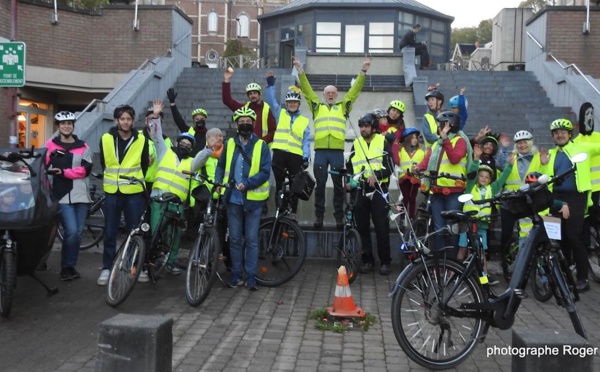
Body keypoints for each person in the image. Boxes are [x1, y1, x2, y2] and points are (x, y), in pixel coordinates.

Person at [293, 55, 372, 229]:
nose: (330, 95)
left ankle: (339, 218)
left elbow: (355, 91)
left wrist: (363, 71)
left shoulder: (343, 107)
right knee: (320, 187)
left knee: (338, 187)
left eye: (333, 93)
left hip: (336, 152)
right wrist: (300, 71)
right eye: (327, 93)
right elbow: (306, 90)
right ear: (323, 95)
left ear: (336, 95)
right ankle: (319, 217)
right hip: (321, 152)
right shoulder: (316, 107)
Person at [146, 99, 215, 275]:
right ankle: (150, 260)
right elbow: (156, 134)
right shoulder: (164, 151)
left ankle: (171, 261)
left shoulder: (192, 162)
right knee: (156, 231)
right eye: (183, 142)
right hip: (159, 198)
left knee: (175, 234)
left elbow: (202, 157)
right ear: (176, 143)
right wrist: (155, 115)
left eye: (189, 144)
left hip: (177, 203)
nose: (185, 145)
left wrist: (209, 147)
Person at [540, 118, 600, 292]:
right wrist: (544, 165)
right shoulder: (551, 154)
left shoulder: (582, 148)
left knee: (575, 238)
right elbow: (546, 179)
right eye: (556, 133)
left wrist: (590, 133)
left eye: (563, 132)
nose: (560, 135)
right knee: (561, 240)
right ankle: (565, 277)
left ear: (569, 134)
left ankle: (583, 279)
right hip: (557, 197)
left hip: (577, 197)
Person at [215, 107, 271, 291]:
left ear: (253, 125)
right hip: (233, 200)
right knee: (235, 240)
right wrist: (217, 182)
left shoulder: (261, 145)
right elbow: (221, 166)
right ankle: (235, 275)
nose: (244, 125)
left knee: (252, 240)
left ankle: (251, 277)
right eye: (241, 122)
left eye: (248, 122)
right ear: (236, 124)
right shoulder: (230, 143)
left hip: (253, 201)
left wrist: (248, 183)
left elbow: (264, 172)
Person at [97, 104, 150, 286]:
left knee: (134, 232)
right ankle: (107, 267)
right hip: (112, 192)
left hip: (134, 192)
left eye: (129, 119)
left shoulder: (141, 139)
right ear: (116, 120)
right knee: (110, 231)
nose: (126, 122)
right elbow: (104, 163)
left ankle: (134, 265)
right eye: (122, 119)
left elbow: (144, 164)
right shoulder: (105, 138)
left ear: (133, 121)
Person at [45, 111, 93, 281]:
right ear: (58, 126)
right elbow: (44, 166)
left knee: (78, 233)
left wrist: (64, 172)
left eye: (69, 123)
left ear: (73, 125)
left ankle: (71, 266)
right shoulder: (50, 145)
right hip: (62, 195)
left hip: (81, 195)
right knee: (71, 231)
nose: (66, 126)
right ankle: (66, 267)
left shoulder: (83, 146)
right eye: (63, 124)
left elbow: (86, 169)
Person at [457, 147, 515, 285]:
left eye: (487, 177)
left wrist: (510, 166)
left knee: (482, 251)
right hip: (467, 224)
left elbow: (502, 180)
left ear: (490, 179)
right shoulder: (471, 186)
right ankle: (456, 273)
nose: (483, 179)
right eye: (481, 176)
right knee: (462, 247)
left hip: (482, 225)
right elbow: (471, 173)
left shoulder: (492, 189)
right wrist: (476, 160)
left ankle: (484, 277)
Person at [414, 111, 469, 254]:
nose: (439, 127)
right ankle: (439, 264)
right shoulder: (436, 144)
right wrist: (417, 168)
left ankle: (451, 264)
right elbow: (426, 161)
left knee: (451, 229)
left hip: (454, 193)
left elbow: (455, 158)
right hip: (437, 191)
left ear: (449, 125)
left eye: (441, 124)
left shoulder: (460, 141)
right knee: (439, 230)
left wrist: (446, 140)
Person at [348, 113, 394, 275]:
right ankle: (368, 260)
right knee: (362, 227)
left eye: (366, 126)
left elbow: (390, 167)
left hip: (379, 190)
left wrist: (377, 176)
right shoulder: (356, 143)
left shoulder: (383, 142)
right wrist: (349, 181)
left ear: (374, 127)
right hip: (361, 190)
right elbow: (350, 167)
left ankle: (385, 261)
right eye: (361, 126)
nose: (363, 129)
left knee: (382, 226)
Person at [265, 71, 311, 220]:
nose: (292, 104)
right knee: (279, 185)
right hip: (279, 154)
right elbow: (271, 101)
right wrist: (270, 85)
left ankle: (293, 213)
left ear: (298, 104)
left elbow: (306, 141)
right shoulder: (281, 113)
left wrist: (306, 157)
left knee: (295, 186)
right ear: (287, 103)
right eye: (290, 102)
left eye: (295, 102)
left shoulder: (304, 121)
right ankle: (280, 210)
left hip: (295, 156)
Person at [499, 130, 541, 281]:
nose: (522, 145)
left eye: (525, 142)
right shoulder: (511, 157)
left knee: (527, 235)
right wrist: (503, 149)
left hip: (528, 204)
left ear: (530, 143)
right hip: (509, 203)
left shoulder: (538, 158)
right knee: (506, 236)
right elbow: (500, 167)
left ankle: (525, 266)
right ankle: (505, 267)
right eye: (519, 143)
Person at [222, 71, 276, 145]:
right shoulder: (244, 109)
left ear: (259, 94)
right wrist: (226, 80)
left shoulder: (267, 109)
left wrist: (261, 142)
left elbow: (273, 131)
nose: (252, 95)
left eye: (255, 93)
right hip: (244, 145)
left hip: (261, 147)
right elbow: (227, 100)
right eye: (250, 94)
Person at [573, 102, 600, 250]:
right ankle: (586, 247)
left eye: (591, 115)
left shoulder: (598, 137)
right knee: (586, 221)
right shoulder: (576, 142)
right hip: (585, 189)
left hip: (598, 189)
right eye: (586, 115)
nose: (588, 118)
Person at [166, 88, 209, 157]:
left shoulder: (210, 134)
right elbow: (178, 120)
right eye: (197, 119)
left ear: (205, 120)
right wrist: (172, 104)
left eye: (202, 119)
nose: (199, 121)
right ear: (193, 121)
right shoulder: (188, 131)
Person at [141, 106, 172, 192]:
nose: (153, 121)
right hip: (140, 181)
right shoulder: (138, 136)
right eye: (151, 119)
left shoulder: (166, 140)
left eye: (157, 119)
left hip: (158, 183)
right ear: (145, 120)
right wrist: (144, 160)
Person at [397, 127, 425, 219]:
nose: (415, 140)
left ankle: (412, 218)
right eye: (412, 138)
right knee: (404, 199)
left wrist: (417, 171)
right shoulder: (401, 150)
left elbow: (424, 165)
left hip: (415, 179)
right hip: (403, 178)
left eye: (416, 138)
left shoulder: (421, 152)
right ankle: (402, 218)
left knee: (412, 199)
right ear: (407, 139)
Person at [382, 100, 406, 165]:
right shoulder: (381, 121)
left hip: (395, 159)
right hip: (381, 157)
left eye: (398, 112)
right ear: (389, 110)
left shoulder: (401, 126)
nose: (395, 113)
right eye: (393, 110)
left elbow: (402, 141)